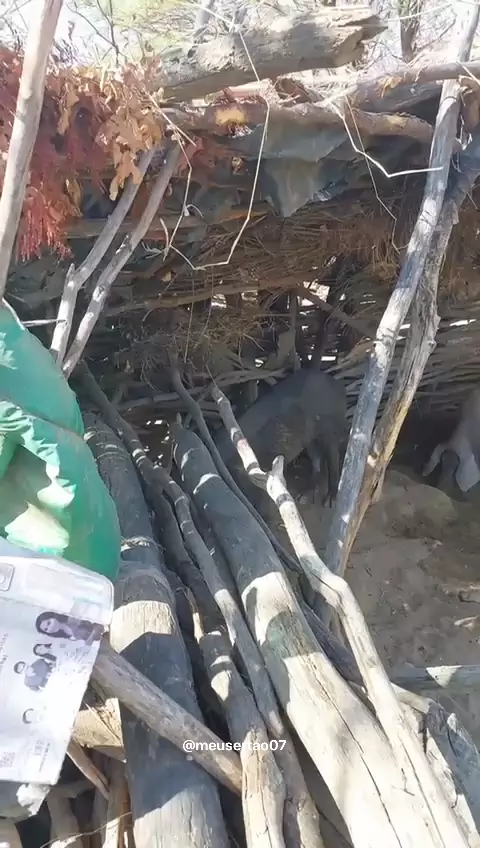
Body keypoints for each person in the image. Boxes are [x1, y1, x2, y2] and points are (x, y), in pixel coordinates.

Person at [35, 612, 103, 646]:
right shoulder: (64, 637)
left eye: (49, 623)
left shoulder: (72, 619)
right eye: (46, 629)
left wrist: (92, 635)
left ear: (53, 617)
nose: (50, 628)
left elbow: (96, 625)